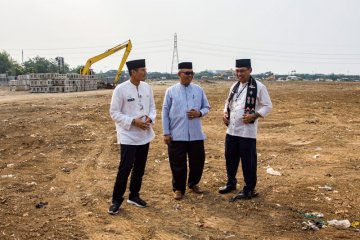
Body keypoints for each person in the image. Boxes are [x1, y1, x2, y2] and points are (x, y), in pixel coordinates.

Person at [219, 59, 272, 201]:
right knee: (230, 158)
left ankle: (249, 189)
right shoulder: (234, 86)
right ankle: (231, 183)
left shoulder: (259, 87)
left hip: (247, 132)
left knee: (248, 162)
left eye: (242, 70)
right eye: (237, 71)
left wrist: (254, 115)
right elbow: (228, 103)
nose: (239, 73)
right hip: (231, 130)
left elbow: (267, 106)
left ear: (250, 70)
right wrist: (225, 113)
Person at [108, 59, 156, 214]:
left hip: (144, 134)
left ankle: (134, 195)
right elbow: (114, 112)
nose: (145, 72)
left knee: (140, 168)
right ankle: (116, 200)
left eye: (145, 69)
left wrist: (150, 118)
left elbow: (153, 108)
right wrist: (133, 122)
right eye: (142, 70)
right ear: (133, 72)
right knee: (125, 167)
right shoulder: (121, 89)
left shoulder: (147, 87)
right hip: (128, 135)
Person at [162, 62, 210, 200]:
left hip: (196, 134)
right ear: (179, 74)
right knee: (177, 163)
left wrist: (199, 113)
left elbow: (207, 107)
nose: (189, 76)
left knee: (197, 161)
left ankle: (193, 183)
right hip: (177, 134)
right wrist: (166, 133)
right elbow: (165, 112)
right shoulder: (170, 91)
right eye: (186, 73)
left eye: (191, 73)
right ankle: (178, 188)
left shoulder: (198, 90)